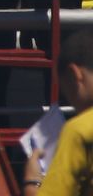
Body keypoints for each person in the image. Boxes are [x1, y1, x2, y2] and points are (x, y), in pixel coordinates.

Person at [22, 30, 93, 195]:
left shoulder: (79, 131)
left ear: (75, 75)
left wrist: (31, 182)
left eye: (67, 93)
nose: (72, 103)